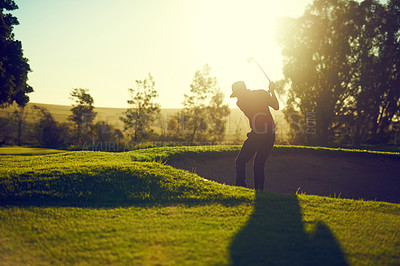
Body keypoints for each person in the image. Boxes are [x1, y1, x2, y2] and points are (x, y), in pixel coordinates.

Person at [230, 81, 279, 190]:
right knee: (259, 164)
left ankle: (241, 189)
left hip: (258, 134)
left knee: (240, 161)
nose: (237, 97)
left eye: (237, 94)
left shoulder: (241, 102)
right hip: (270, 134)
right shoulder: (260, 94)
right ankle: (259, 190)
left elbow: (269, 105)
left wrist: (270, 91)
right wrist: (271, 92)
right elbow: (276, 106)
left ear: (241, 91)